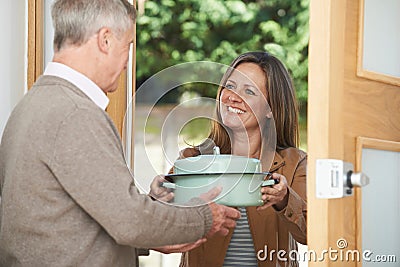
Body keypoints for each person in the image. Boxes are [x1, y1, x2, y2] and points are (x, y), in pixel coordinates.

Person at [0, 1, 241, 266]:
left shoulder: (33, 105)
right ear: (105, 40)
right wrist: (206, 216)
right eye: (128, 45)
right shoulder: (75, 113)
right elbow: (129, 221)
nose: (128, 62)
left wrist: (152, 212)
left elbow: (75, 222)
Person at [152, 51, 307, 266]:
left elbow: (312, 234)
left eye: (249, 91)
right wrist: (156, 200)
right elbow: (158, 231)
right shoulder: (193, 159)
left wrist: (284, 200)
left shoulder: (294, 163)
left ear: (271, 108)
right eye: (231, 86)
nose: (233, 96)